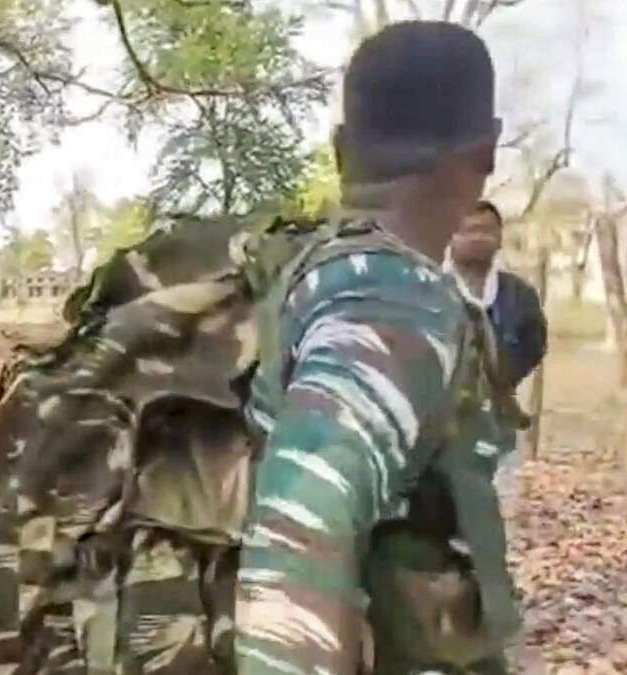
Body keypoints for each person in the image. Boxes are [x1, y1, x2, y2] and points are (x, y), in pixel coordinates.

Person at [235, 21, 517, 675]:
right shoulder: (390, 300)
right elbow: (302, 530)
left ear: (340, 148)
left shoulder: (313, 271)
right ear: (488, 149)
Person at [447, 200, 548, 390]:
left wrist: (503, 380)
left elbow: (535, 346)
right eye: (468, 230)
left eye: (486, 230)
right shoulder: (430, 287)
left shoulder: (520, 294)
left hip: (501, 410)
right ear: (449, 236)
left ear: (500, 237)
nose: (477, 237)